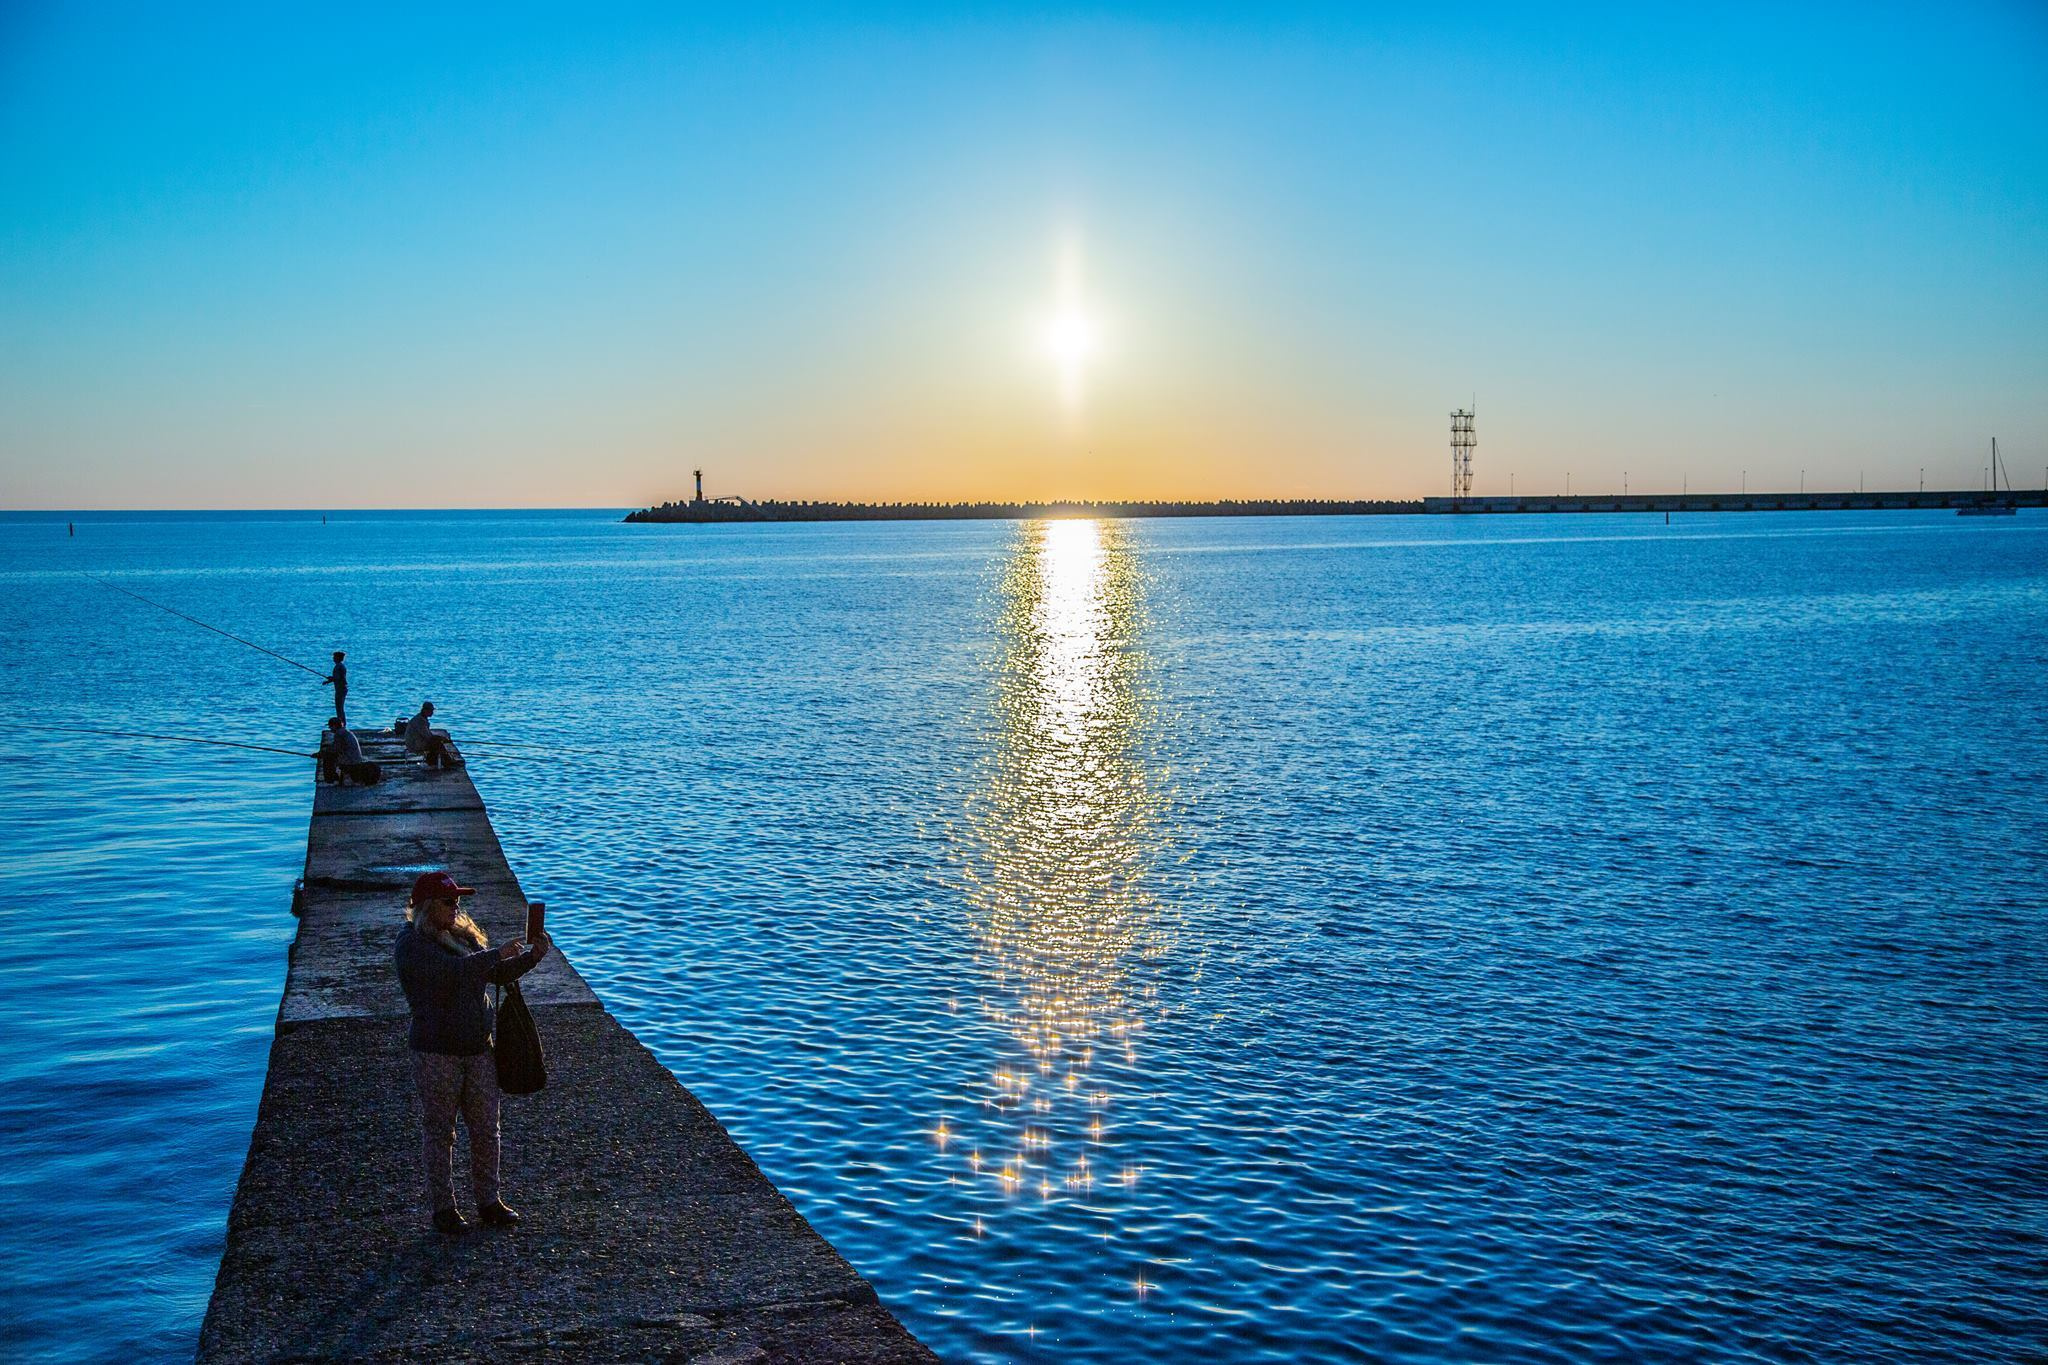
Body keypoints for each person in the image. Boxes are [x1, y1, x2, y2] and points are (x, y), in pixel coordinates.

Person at [395, 870, 550, 1235]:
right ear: (427, 906)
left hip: (478, 1049)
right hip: (436, 1052)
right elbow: (452, 974)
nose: (456, 907)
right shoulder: (412, 945)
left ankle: (489, 1201)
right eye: (449, 902)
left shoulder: (461, 935)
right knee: (440, 1131)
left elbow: (493, 974)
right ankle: (444, 1207)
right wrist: (494, 954)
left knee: (486, 1129)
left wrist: (532, 957)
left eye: (458, 900)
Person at [317, 716, 376, 784]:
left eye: (330, 726)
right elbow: (336, 747)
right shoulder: (345, 732)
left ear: (334, 726)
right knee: (329, 755)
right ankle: (335, 777)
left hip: (350, 760)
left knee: (328, 758)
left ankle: (330, 779)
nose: (329, 728)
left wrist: (321, 754)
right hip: (355, 759)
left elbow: (335, 749)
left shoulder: (339, 734)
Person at [404, 700, 462, 768]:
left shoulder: (421, 718)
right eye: (431, 711)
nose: (432, 712)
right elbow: (428, 737)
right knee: (437, 743)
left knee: (436, 742)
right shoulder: (419, 721)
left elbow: (428, 735)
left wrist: (441, 738)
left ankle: (437, 761)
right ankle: (447, 762)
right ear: (425, 710)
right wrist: (442, 739)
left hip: (417, 741)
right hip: (414, 744)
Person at [323, 652, 348, 724]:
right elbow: (338, 678)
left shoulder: (339, 667)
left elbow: (338, 678)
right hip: (341, 689)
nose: (333, 658)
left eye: (334, 657)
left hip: (340, 689)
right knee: (340, 707)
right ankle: (342, 723)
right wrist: (329, 680)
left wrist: (331, 679)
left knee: (339, 708)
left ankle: (342, 723)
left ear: (338, 658)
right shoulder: (340, 666)